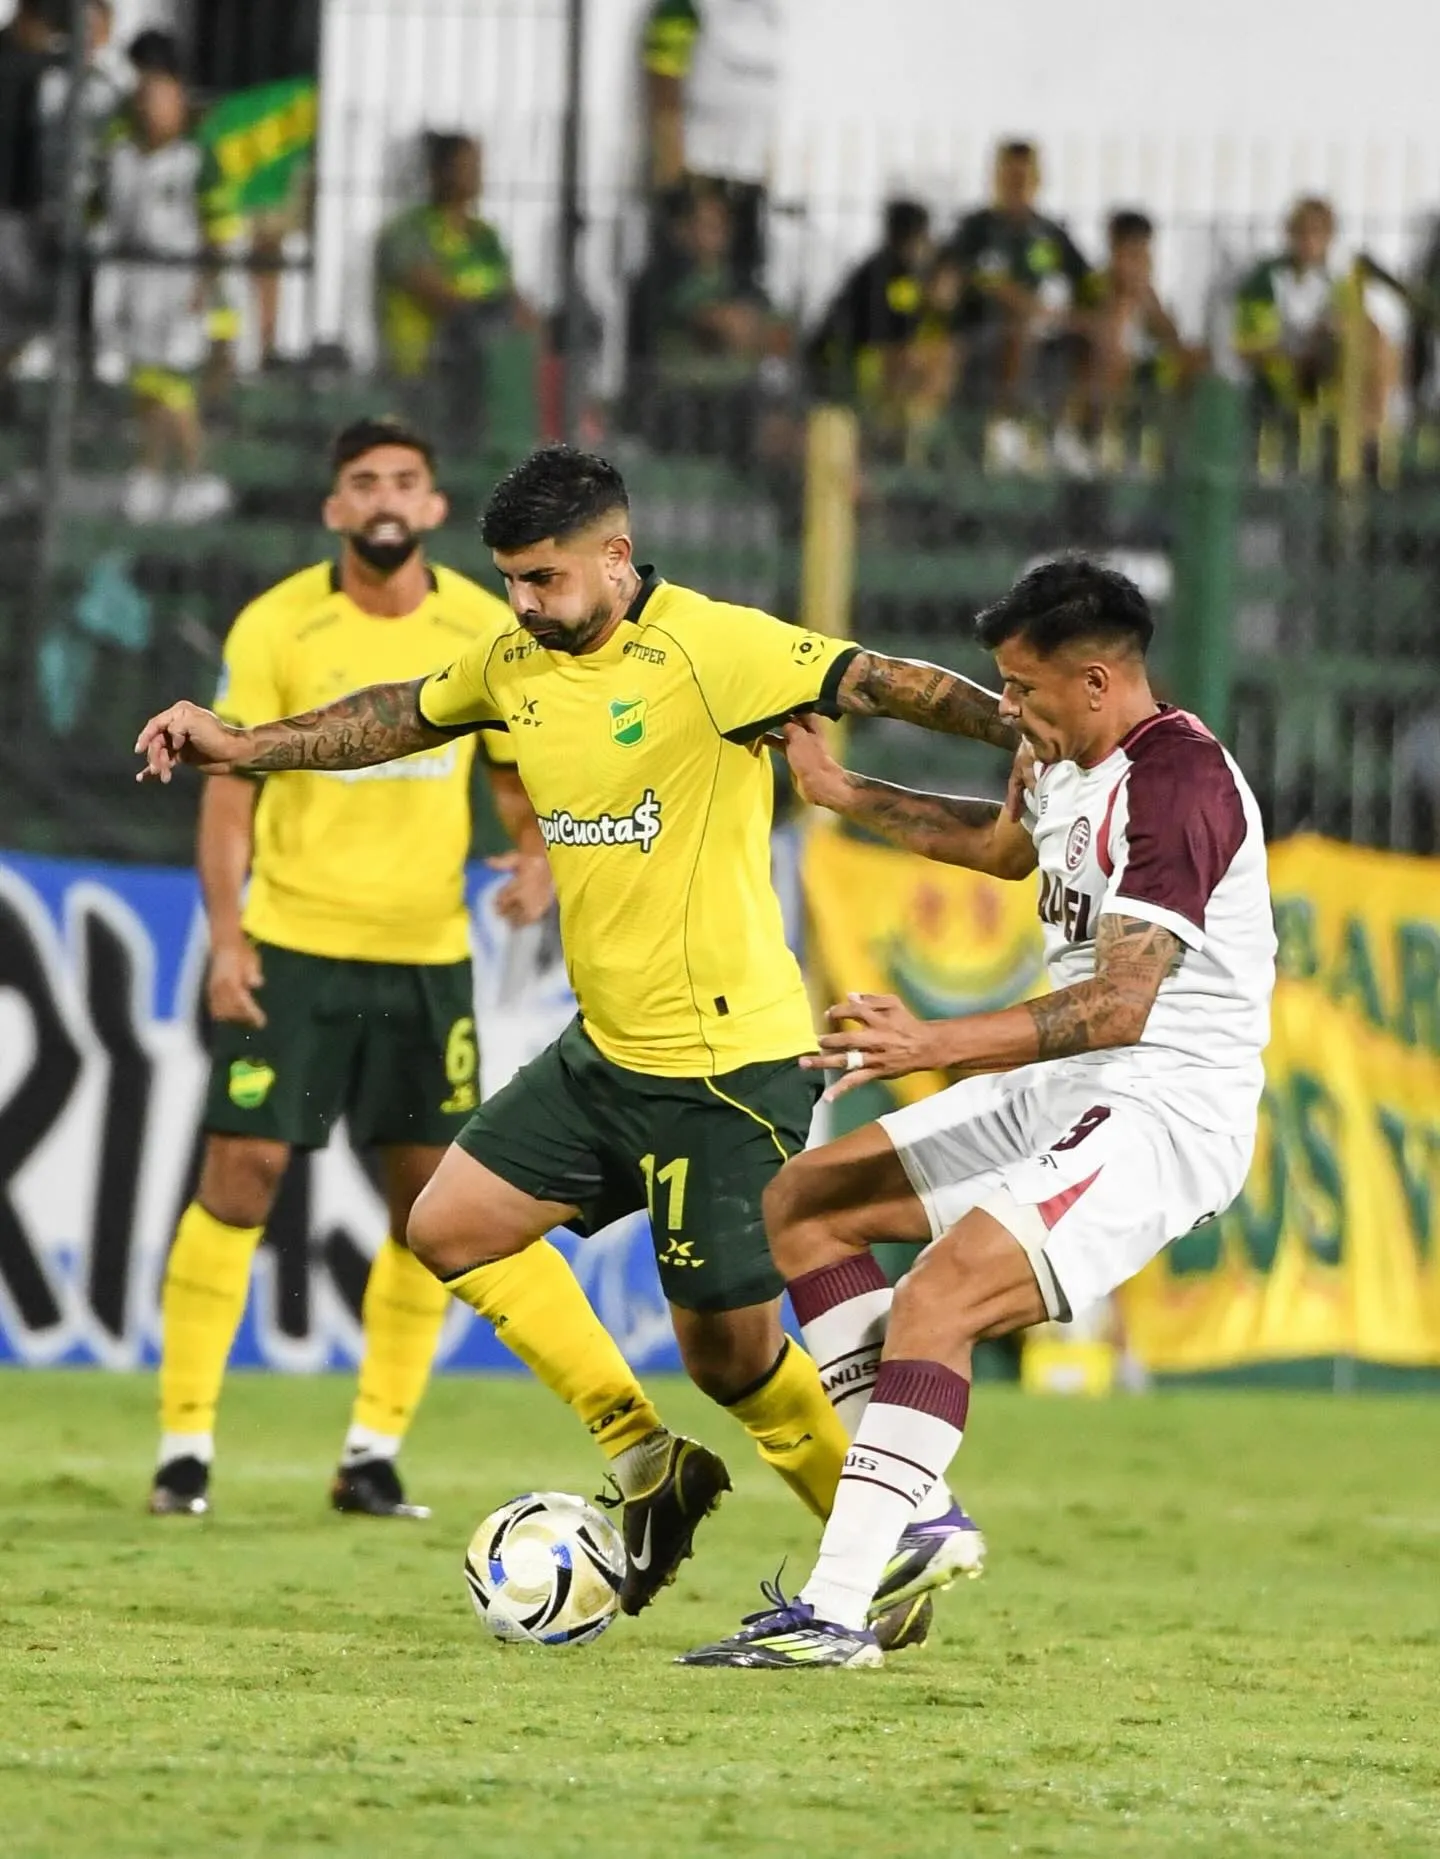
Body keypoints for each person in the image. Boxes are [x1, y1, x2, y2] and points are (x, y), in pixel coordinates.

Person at [135, 444, 1021, 1630]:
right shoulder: (514, 659)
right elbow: (397, 714)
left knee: (728, 1354)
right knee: (448, 1220)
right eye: (509, 580)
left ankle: (874, 1566)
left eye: (544, 579)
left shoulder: (717, 648)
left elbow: (884, 681)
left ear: (616, 554)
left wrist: (1027, 730)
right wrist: (243, 742)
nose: (523, 605)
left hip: (730, 1068)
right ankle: (651, 1460)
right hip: (606, 1052)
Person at [678, 556, 1276, 1666]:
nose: (1006, 709)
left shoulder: (1179, 783)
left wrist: (931, 1043)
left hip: (1165, 1104)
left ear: (1097, 682)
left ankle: (837, 1608)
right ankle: (920, 1514)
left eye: (1022, 687)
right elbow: (1006, 849)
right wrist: (846, 795)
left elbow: (1120, 1003)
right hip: (1067, 1085)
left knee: (941, 1294)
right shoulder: (1060, 757)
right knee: (807, 1201)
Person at [145, 415, 561, 1522]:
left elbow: (516, 774)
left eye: (407, 481)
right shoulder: (279, 623)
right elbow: (230, 786)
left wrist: (533, 858)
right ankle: (184, 1445)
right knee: (240, 1179)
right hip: (291, 947)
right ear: (335, 507)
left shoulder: (483, 625)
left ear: (433, 508)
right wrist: (229, 936)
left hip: (426, 956)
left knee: (427, 1206)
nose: (385, 496)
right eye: (364, 480)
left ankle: (372, 1449)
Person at [99, 59, 232, 525]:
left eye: (162, 98)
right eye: (145, 97)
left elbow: (219, 232)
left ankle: (195, 477)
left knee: (174, 383)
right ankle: (150, 476)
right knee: (147, 384)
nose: (152, 108)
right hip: (133, 280)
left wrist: (205, 287)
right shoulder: (120, 156)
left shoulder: (196, 161)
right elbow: (100, 215)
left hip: (178, 281)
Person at [943, 141, 1092, 468]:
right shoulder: (975, 229)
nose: (1017, 186)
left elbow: (1088, 284)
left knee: (1098, 335)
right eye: (1009, 177)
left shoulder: (1050, 234)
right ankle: (1006, 427)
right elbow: (951, 277)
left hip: (1045, 330)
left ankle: (1074, 432)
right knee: (1017, 326)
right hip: (981, 332)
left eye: (1024, 178)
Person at [376, 131, 527, 437]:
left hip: (489, 371)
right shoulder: (408, 232)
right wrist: (489, 310)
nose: (476, 174)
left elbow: (513, 297)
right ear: (438, 171)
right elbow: (434, 292)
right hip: (424, 368)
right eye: (465, 165)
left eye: (478, 164)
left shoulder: (484, 235)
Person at [1235, 196, 1404, 458]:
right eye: (1303, 231)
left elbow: (1361, 326)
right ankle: (1367, 437)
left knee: (1377, 343)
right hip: (1285, 368)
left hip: (1327, 369)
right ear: (1290, 233)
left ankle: (1370, 432)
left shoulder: (1335, 282)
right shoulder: (1266, 279)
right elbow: (1250, 344)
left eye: (1318, 232)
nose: (1309, 241)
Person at [642, 0, 780, 292]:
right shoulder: (680, 8)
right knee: (688, 298)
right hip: (700, 185)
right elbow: (663, 94)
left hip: (749, 186)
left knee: (744, 298)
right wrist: (676, 184)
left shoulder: (766, 14)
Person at [1060, 209, 1206, 472]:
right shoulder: (1095, 284)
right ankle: (1094, 439)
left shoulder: (1148, 290)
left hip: (1144, 363)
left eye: (1141, 251)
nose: (1136, 261)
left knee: (1197, 360)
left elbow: (1171, 337)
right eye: (1128, 251)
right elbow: (1092, 327)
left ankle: (1177, 449)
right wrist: (1124, 300)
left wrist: (1148, 301)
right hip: (1096, 363)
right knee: (1112, 354)